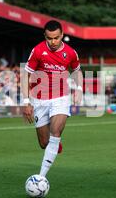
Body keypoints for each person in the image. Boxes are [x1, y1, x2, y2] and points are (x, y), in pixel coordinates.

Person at [22, 20, 83, 178]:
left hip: (61, 97)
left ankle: (41, 177)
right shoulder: (37, 51)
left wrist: (79, 89)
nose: (53, 41)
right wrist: (26, 102)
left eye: (56, 37)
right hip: (39, 99)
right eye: (50, 38)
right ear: (45, 36)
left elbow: (77, 71)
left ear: (62, 35)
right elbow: (25, 75)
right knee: (44, 143)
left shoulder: (70, 53)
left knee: (55, 132)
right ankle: (55, 145)